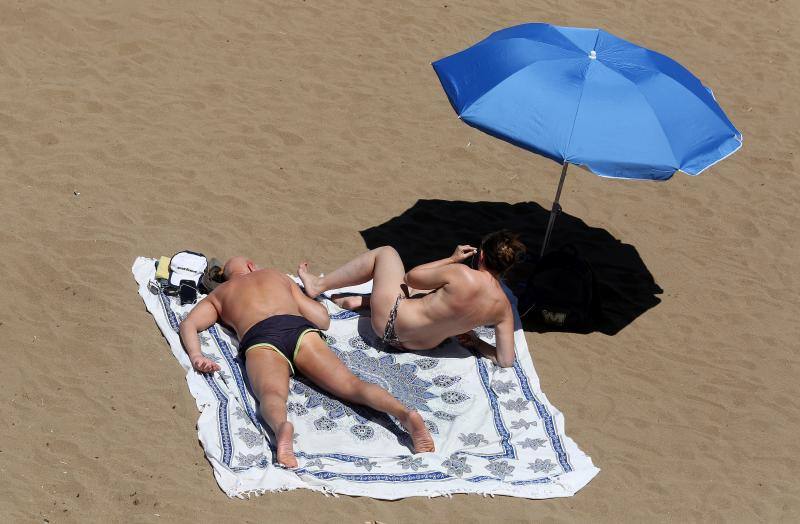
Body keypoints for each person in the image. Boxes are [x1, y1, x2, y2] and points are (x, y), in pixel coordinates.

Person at [179, 256, 434, 468]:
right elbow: (322, 320)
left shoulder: (220, 294)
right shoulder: (276, 276)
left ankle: (281, 429)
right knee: (351, 384)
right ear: (251, 266)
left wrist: (197, 355)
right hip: (298, 330)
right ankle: (405, 414)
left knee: (272, 395)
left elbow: (189, 324)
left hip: (261, 338)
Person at [298, 230, 525, 368]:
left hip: (388, 323)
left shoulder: (462, 274)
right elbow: (505, 360)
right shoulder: (502, 308)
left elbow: (412, 277)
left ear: (482, 255)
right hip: (418, 345)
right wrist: (476, 342)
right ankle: (363, 301)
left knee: (386, 253)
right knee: (429, 298)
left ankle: (319, 284)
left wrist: (451, 260)